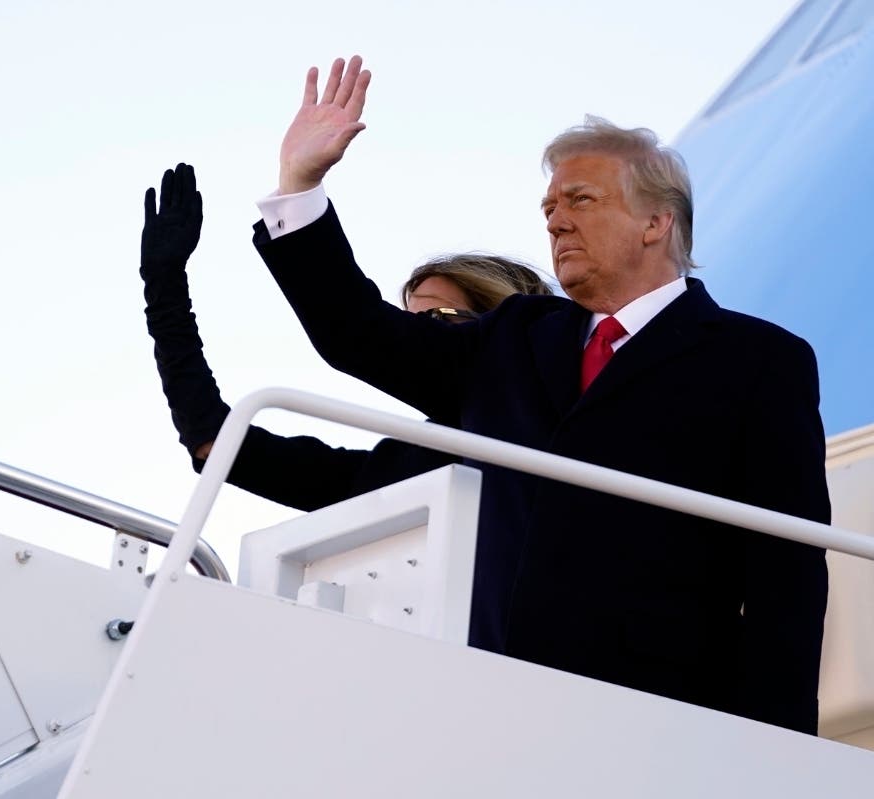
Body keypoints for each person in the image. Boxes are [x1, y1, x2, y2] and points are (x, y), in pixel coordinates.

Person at [251, 56, 829, 735]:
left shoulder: (758, 359)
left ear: (655, 223)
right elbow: (358, 335)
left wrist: (776, 747)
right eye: (549, 207)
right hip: (485, 704)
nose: (555, 222)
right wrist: (299, 185)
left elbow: (784, 572)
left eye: (580, 200)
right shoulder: (511, 337)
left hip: (656, 723)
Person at [139, 162, 551, 511]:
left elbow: (354, 325)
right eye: (410, 320)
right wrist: (164, 287)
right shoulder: (400, 468)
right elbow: (215, 441)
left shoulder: (569, 410)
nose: (418, 334)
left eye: (437, 318)